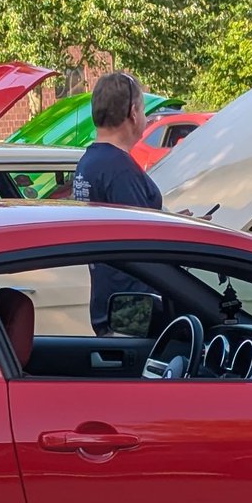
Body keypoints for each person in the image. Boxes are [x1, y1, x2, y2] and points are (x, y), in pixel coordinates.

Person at [72, 70, 162, 333]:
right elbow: (143, 242)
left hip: (107, 299)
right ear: (133, 113)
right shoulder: (119, 168)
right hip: (134, 309)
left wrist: (173, 218)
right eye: (144, 110)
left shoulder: (89, 162)